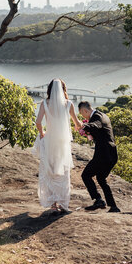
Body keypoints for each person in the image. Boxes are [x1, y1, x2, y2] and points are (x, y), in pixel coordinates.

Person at [33, 78, 82, 212]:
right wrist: (83, 128)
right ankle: (63, 204)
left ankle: (53, 204)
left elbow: (38, 122)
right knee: (63, 172)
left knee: (50, 171)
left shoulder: (44, 103)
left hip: (49, 141)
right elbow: (77, 123)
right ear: (63, 90)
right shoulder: (69, 104)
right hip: (62, 143)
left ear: (49, 90)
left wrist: (42, 132)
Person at [77, 101, 120, 213]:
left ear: (84, 111)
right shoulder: (103, 115)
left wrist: (84, 126)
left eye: (82, 114)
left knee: (86, 175)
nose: (82, 116)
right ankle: (113, 206)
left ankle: (98, 200)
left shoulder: (97, 117)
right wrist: (88, 129)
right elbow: (98, 130)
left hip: (103, 154)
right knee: (101, 178)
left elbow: (96, 125)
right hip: (112, 154)